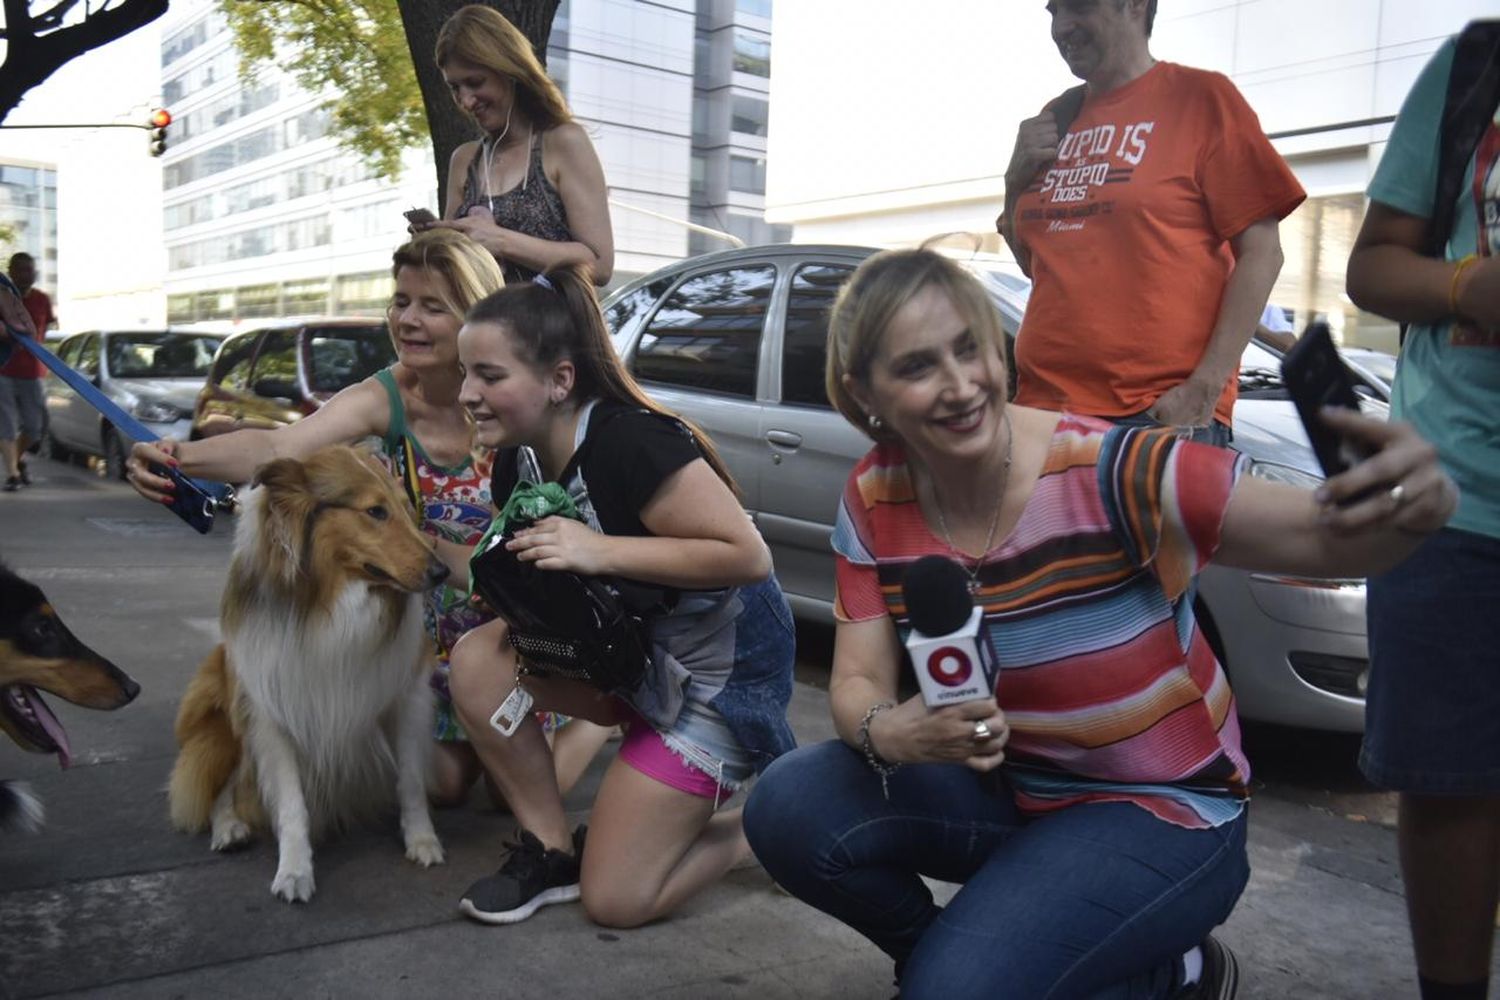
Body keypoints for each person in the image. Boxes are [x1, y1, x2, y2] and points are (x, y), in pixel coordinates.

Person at [741, 249, 1458, 999]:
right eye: (918, 367)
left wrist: (1410, 515)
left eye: (969, 349)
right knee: (792, 803)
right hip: (1012, 791)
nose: (960, 387)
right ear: (865, 392)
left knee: (963, 986)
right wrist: (892, 732)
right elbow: (856, 681)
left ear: (998, 349)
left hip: (1164, 811)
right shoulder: (874, 493)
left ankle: (1171, 972)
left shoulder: (1106, 466)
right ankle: (947, 964)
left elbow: (1323, 536)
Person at [125, 230, 611, 805]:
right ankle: (488, 741)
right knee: (444, 788)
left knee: (523, 795)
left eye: (433, 306)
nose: (408, 319)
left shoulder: (517, 397)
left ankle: (602, 716)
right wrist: (178, 455)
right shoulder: (384, 397)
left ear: (475, 317)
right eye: (401, 301)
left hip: (514, 622)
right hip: (425, 627)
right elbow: (281, 449)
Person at [444, 266, 795, 928]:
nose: (467, 393)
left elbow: (747, 557)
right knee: (475, 661)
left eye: (489, 376)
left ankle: (763, 823)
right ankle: (551, 853)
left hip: (712, 682)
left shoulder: (631, 441)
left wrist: (596, 549)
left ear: (559, 381)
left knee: (617, 900)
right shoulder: (516, 460)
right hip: (627, 655)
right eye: (466, 375)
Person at [1345, 27, 1500, 1000]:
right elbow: (1371, 269)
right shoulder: (1474, 68)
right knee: (1449, 781)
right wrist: (1466, 285)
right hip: (1454, 500)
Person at [998, 0, 1305, 445]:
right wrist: (1013, 180)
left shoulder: (1203, 100)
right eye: (1052, 11)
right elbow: (1038, 264)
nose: (1062, 26)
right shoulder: (1055, 117)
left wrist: (1206, 386)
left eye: (1078, 7)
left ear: (1136, 5)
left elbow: (1263, 254)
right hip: (1042, 415)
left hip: (1152, 417)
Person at [422, 5, 613, 286]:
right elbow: (454, 274)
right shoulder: (464, 160)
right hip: (476, 326)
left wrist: (501, 241)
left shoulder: (563, 142)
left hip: (550, 328)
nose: (466, 101)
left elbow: (599, 265)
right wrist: (433, 246)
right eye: (455, 88)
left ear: (508, 69)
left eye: (475, 83)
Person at [1, 252, 54, 491]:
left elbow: (45, 330)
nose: (26, 274)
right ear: (10, 272)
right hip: (3, 371)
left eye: (29, 269)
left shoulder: (42, 299)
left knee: (34, 428)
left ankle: (17, 460)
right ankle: (12, 474)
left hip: (33, 373)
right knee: (7, 424)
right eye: (20, 269)